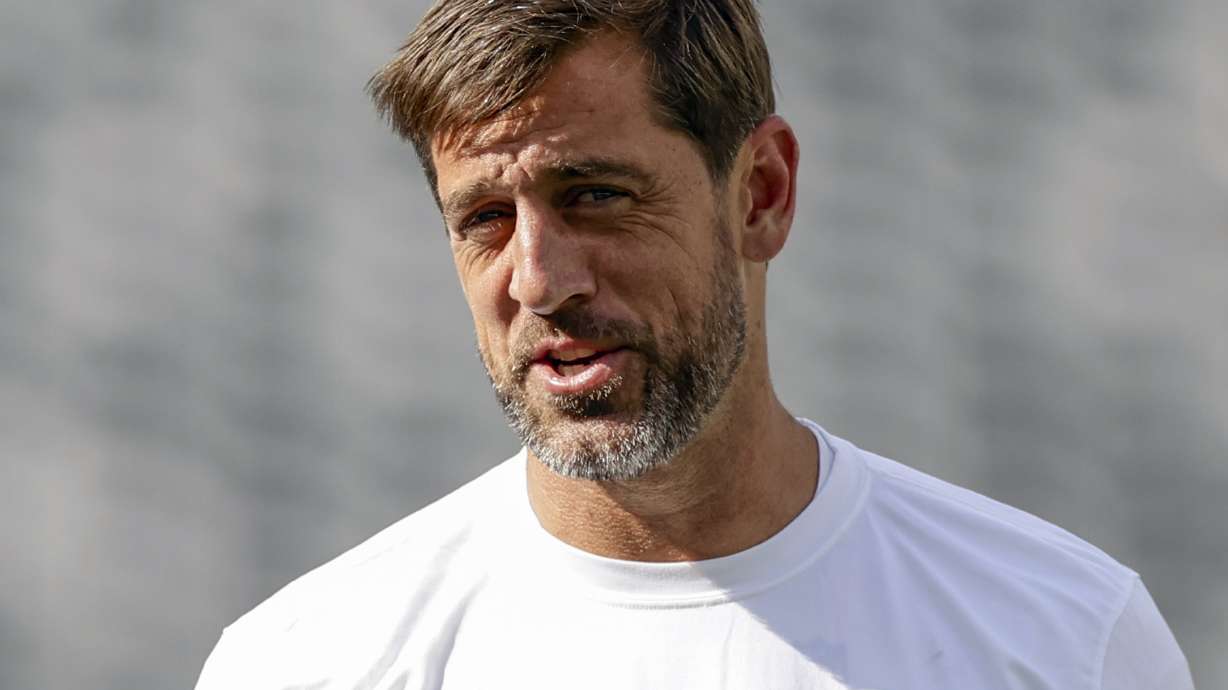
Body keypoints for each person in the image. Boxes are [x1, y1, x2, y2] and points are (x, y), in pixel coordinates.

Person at [196, 1, 1194, 688]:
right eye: (485, 219)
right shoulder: (308, 662)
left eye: (596, 195)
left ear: (760, 192)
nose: (540, 280)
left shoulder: (1058, 641)